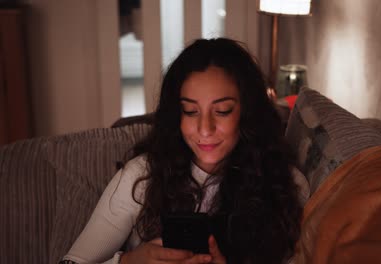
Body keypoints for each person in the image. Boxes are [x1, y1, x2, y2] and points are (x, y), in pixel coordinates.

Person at [60, 38, 310, 264]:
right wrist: (128, 262)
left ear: (247, 113)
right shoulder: (141, 176)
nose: (204, 129)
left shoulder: (287, 185)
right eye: (191, 111)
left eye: (222, 111)